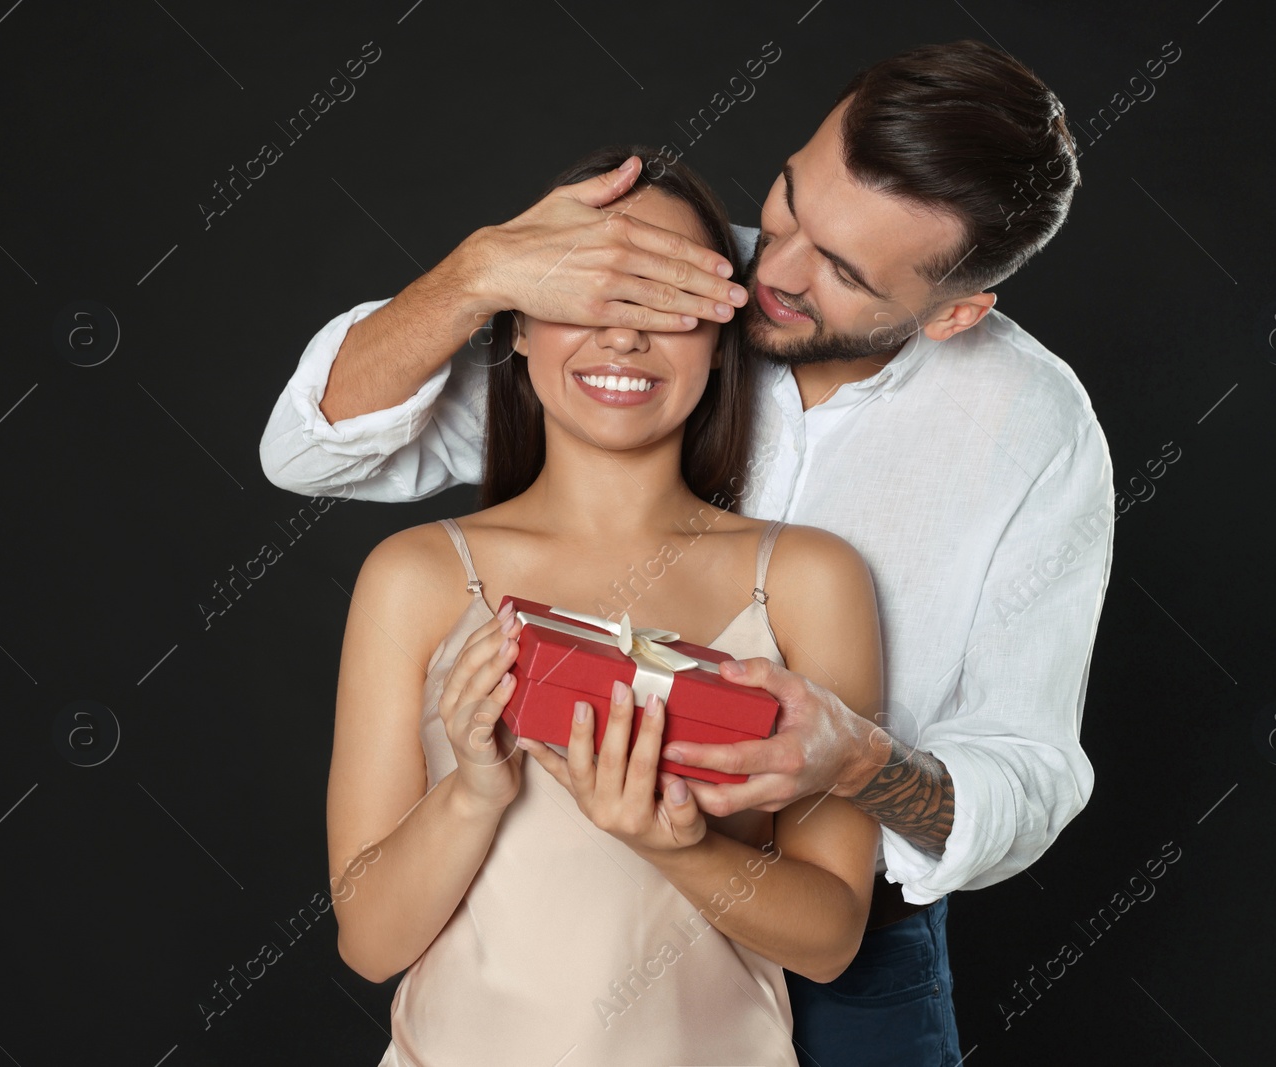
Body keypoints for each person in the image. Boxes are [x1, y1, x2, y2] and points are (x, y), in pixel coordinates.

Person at [275, 41, 1114, 1067]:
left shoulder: (1032, 431)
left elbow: (1027, 770)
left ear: (953, 311)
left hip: (846, 952)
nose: (780, 271)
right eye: (793, 202)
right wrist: (478, 274)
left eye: (844, 272)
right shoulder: (666, 285)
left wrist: (855, 758)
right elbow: (311, 443)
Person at [325, 146, 882, 1067]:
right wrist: (474, 790)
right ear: (514, 326)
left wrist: (674, 845)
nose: (623, 338)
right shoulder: (417, 575)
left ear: (723, 337)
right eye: (589, 294)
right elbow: (369, 944)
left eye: (669, 304)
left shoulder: (808, 579)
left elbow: (830, 938)